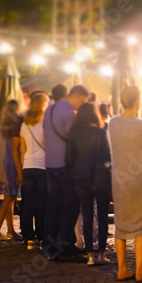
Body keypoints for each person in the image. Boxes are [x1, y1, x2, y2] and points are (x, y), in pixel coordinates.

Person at [109, 85, 142, 281]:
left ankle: (122, 269)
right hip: (140, 181)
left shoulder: (113, 123)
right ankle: (139, 271)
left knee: (120, 223)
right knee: (141, 225)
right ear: (138, 101)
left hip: (120, 180)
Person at [43, 84, 90, 261]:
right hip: (65, 166)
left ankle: (49, 245)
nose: (81, 105)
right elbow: (75, 140)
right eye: (82, 101)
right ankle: (65, 246)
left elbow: (44, 136)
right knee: (70, 206)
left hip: (50, 164)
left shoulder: (50, 110)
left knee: (53, 205)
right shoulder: (69, 113)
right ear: (76, 96)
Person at [66, 102, 112, 265]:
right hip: (99, 178)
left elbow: (68, 159)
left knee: (86, 215)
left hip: (80, 178)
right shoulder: (100, 132)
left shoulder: (73, 134)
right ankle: (101, 253)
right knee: (102, 216)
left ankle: (89, 255)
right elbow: (107, 156)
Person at [15, 93, 49, 249]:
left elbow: (23, 150)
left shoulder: (24, 124)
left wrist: (20, 171)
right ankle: (41, 236)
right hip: (43, 167)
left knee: (27, 203)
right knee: (42, 203)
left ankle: (28, 238)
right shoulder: (45, 124)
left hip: (28, 166)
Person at [0, 100, 23, 241]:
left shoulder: (3, 127)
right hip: (12, 167)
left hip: (3, 166)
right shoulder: (16, 126)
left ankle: (10, 230)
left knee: (9, 198)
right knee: (10, 197)